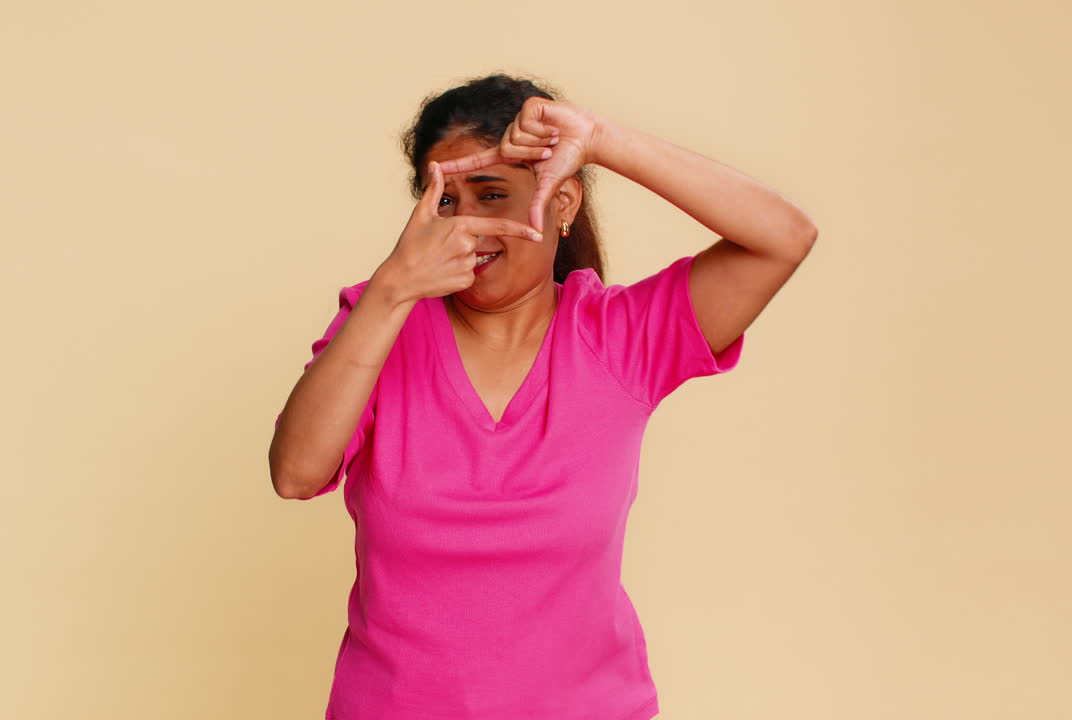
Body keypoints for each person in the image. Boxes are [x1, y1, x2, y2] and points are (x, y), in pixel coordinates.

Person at [269, 73, 816, 720]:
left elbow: (783, 237)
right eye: (444, 200)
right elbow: (297, 472)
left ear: (563, 204)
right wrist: (392, 288)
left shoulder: (619, 340)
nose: (466, 225)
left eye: (493, 194)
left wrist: (601, 139)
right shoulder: (378, 324)